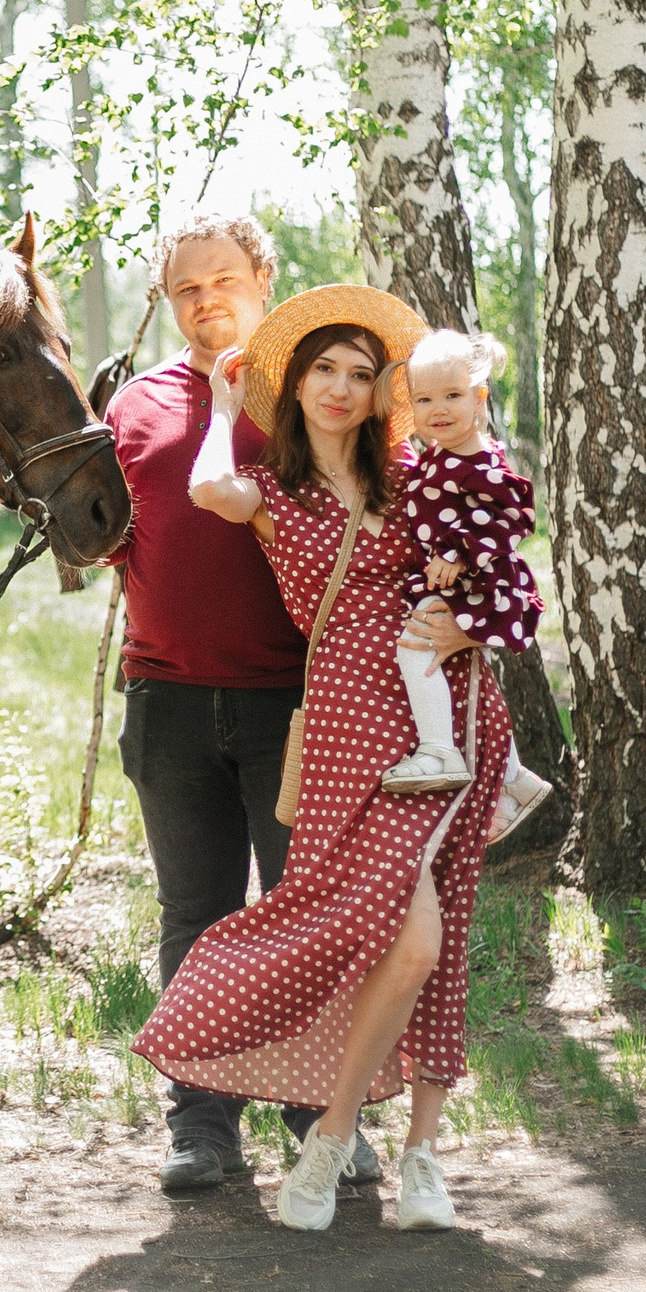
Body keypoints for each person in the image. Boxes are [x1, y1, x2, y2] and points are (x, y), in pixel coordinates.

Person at [129, 285, 503, 1234]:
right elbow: (207, 489)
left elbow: (498, 557)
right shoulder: (273, 493)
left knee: (440, 933)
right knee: (400, 936)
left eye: (360, 373)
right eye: (322, 370)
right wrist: (225, 407)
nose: (339, 388)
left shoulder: (415, 478)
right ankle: (332, 1133)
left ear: (383, 392)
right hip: (350, 727)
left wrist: (467, 629)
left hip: (449, 713)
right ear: (294, 386)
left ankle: (421, 1154)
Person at [100, 216, 379, 1194]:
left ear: (264, 280)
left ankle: (320, 1118)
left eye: (223, 279)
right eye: (186, 287)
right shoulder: (133, 405)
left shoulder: (310, 396)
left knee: (302, 915)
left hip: (294, 705)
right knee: (195, 914)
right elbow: (103, 532)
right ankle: (201, 1124)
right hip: (167, 700)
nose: (205, 299)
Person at [380, 328, 555, 843]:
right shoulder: (441, 454)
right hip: (455, 579)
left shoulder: (480, 461)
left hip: (478, 580)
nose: (438, 409)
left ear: (479, 398)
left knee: (415, 647)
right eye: (424, 400)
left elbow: (516, 516)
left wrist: (458, 551)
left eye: (453, 395)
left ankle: (439, 750)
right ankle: (514, 778)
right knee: (465, 681)